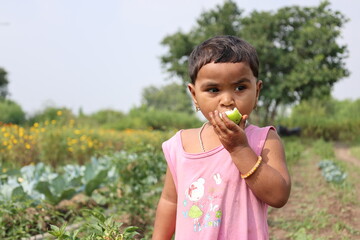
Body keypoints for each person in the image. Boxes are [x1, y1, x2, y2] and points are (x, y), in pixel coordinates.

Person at [152, 35, 291, 240]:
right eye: (213, 90)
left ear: (257, 91)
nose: (227, 100)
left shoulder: (263, 139)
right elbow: (170, 201)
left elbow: (278, 196)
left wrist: (239, 149)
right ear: (194, 95)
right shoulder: (181, 145)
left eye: (240, 88)